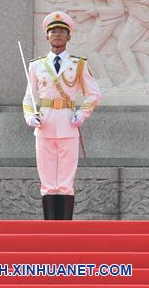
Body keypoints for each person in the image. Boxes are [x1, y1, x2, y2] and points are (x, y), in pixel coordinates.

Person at [22, 12, 101, 220]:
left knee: (66, 181)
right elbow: (29, 97)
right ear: (47, 37)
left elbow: (94, 94)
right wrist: (30, 116)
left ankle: (65, 230)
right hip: (45, 124)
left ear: (69, 37)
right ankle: (50, 229)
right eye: (53, 32)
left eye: (62, 32)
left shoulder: (79, 64)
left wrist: (81, 115)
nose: (57, 35)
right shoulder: (36, 65)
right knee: (47, 180)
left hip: (68, 124)